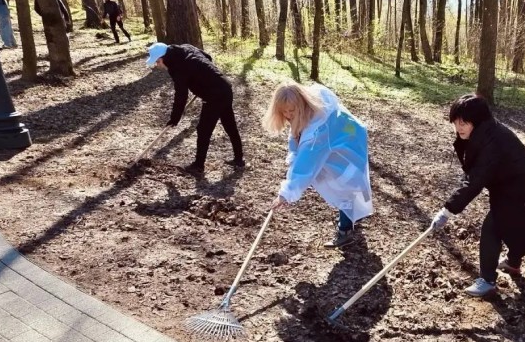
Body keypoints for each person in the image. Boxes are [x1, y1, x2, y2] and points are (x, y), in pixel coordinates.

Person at [431, 94, 525, 297]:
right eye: (456, 122)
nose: (459, 127)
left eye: (464, 122)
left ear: (477, 121)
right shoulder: (484, 133)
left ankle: (487, 281)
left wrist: (447, 210)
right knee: (502, 223)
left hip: (523, 192)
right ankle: (513, 264)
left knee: (493, 227)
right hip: (511, 188)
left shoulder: (492, 142)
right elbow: (474, 173)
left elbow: (475, 180)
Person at [264, 81, 373, 248]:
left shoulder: (318, 129)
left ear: (301, 104)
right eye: (283, 111)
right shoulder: (309, 106)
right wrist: (293, 155)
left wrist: (286, 193)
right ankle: (350, 218)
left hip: (350, 139)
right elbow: (296, 135)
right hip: (343, 135)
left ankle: (345, 232)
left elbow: (305, 164)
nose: (287, 115)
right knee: (339, 180)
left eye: (291, 111)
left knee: (344, 184)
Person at [146, 42, 244, 175]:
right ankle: (239, 159)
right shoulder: (186, 47)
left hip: (214, 95)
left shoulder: (177, 68)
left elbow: (181, 95)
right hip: (225, 87)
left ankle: (198, 166)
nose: (157, 65)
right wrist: (201, 79)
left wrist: (175, 118)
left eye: (157, 62)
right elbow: (207, 57)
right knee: (229, 124)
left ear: (163, 57)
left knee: (203, 129)